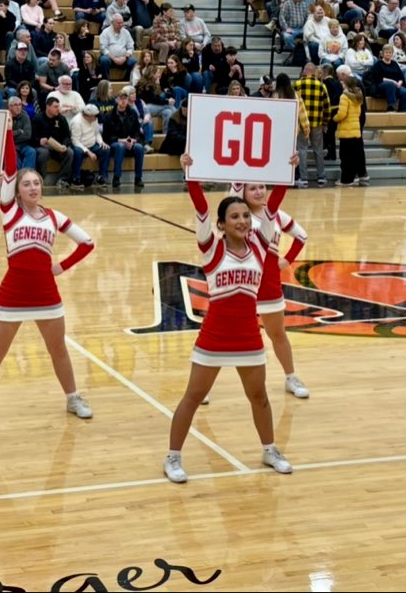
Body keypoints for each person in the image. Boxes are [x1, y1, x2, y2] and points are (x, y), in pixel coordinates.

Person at [164, 155, 296, 483]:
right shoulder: (211, 249)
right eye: (233, 217)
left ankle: (270, 449)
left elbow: (273, 204)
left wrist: (285, 171)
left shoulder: (262, 246)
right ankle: (173, 457)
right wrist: (190, 175)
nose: (242, 221)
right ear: (222, 224)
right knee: (193, 397)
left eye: (244, 216)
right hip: (214, 337)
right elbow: (200, 209)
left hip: (249, 336)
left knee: (259, 397)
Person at [0, 131, 96, 428]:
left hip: (46, 294)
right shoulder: (10, 212)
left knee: (59, 351)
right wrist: (7, 132)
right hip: (13, 293)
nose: (32, 187)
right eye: (26, 184)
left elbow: (88, 242)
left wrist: (62, 266)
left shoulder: (54, 217)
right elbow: (11, 168)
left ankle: (72, 397)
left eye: (37, 183)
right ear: (16, 191)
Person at [227, 178, 310, 398]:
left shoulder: (277, 216)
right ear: (242, 191)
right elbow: (235, 183)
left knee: (277, 334)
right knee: (227, 333)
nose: (258, 191)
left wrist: (287, 260)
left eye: (262, 187)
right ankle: (202, 386)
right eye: (251, 188)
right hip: (240, 283)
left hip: (269, 285)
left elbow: (302, 236)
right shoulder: (236, 215)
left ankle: (291, 377)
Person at [103, 89, 146, 190]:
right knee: (120, 147)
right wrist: (121, 140)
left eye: (125, 99)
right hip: (115, 143)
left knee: (139, 147)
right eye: (121, 99)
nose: (123, 101)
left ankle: (138, 178)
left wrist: (133, 140)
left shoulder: (133, 113)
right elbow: (106, 136)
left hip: (130, 141)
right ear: (116, 100)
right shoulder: (109, 115)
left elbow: (137, 131)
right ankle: (116, 177)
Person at [333, 76, 367, 186]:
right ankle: (353, 177)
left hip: (346, 130)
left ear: (346, 84)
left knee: (345, 157)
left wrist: (334, 118)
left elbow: (342, 114)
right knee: (353, 156)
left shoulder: (344, 96)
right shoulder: (358, 96)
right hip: (355, 129)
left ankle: (346, 180)